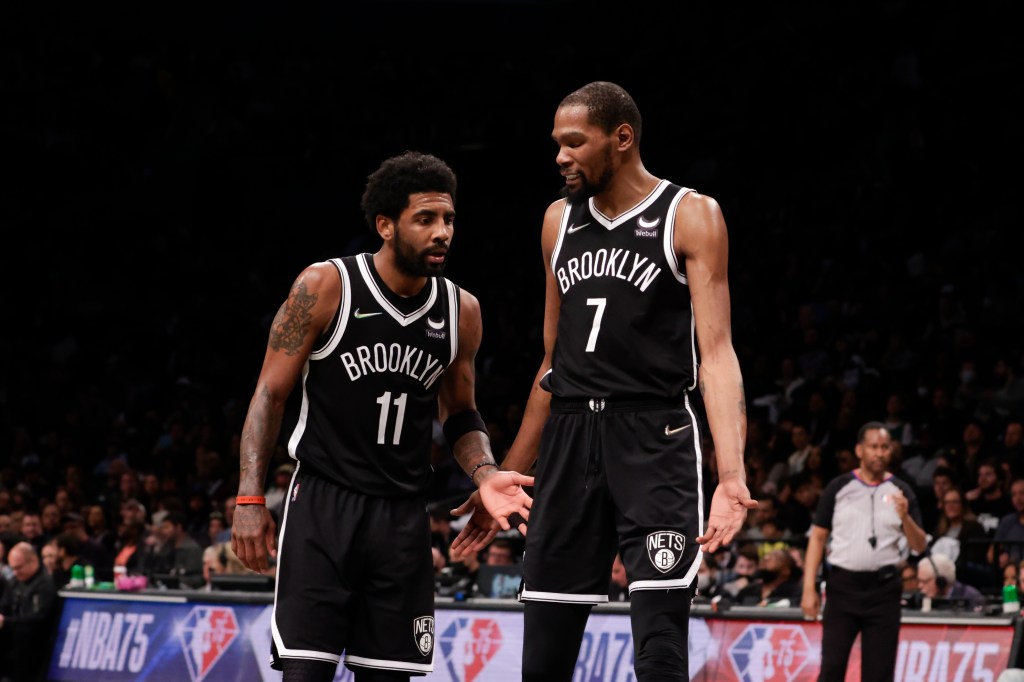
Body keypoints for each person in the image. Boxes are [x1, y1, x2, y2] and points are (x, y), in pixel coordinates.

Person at [451, 81, 754, 681]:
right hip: (569, 436)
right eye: (556, 144)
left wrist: (731, 475)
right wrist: (505, 476)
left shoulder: (690, 215)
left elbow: (717, 355)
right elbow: (551, 365)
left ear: (621, 138)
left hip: (655, 433)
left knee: (660, 645)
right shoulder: (557, 221)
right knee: (544, 655)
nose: (560, 156)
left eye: (573, 143)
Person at [230, 151, 534, 682]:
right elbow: (268, 396)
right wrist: (250, 498)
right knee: (305, 674)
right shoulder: (325, 286)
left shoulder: (462, 311)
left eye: (449, 219)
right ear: (386, 225)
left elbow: (461, 413)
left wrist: (486, 475)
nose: (442, 232)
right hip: (323, 504)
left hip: (402, 516)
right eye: (426, 219)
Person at [800, 422, 928, 682]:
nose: (880, 453)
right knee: (831, 669)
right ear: (859, 450)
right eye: (874, 447)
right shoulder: (838, 487)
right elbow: (818, 538)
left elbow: (919, 545)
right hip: (842, 588)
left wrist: (905, 517)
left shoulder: (902, 491)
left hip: (884, 591)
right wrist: (808, 588)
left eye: (885, 447)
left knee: (879, 674)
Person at [0, 542, 58, 682]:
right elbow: (5, 605)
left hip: (35, 644)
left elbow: (39, 617)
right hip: (13, 639)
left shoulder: (44, 584)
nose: (15, 572)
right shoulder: (15, 581)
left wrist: (6, 621)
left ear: (33, 561)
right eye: (13, 568)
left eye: (19, 567)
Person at [916, 552, 986, 612]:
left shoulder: (971, 598)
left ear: (941, 582)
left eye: (924, 582)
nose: (919, 586)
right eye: (919, 581)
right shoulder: (919, 599)